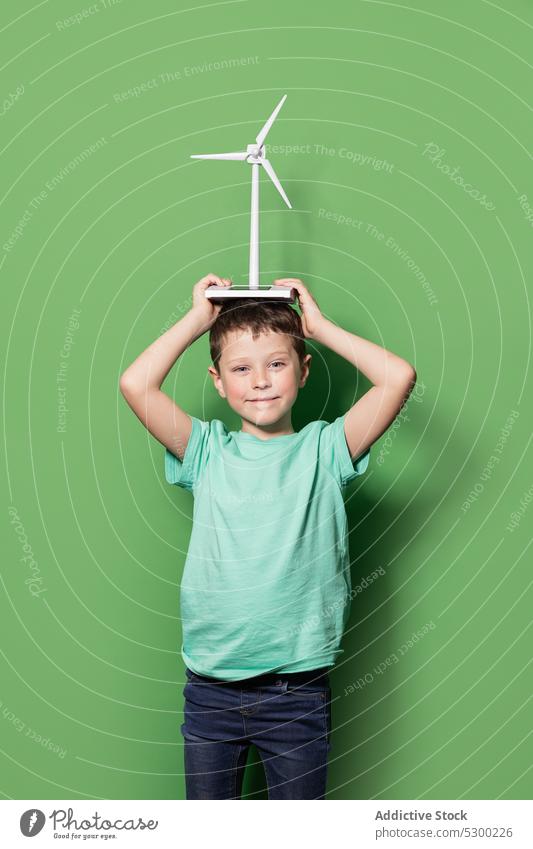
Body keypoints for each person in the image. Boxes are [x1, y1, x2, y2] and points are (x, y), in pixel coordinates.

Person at [119, 273, 416, 799]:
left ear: (302, 371)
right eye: (241, 368)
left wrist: (318, 327)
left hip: (296, 691)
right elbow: (136, 385)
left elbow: (397, 377)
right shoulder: (206, 451)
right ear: (218, 380)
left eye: (276, 363)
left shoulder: (326, 450)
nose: (260, 380)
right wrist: (197, 319)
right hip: (210, 688)